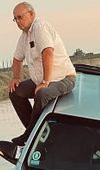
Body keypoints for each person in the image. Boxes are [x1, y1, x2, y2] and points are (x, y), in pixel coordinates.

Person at [7, 2, 76, 146]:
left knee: (42, 94)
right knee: (15, 92)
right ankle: (35, 132)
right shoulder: (25, 35)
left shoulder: (40, 27)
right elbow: (17, 58)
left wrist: (45, 81)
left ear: (32, 14)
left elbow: (48, 53)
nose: (18, 22)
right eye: (15, 19)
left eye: (20, 17)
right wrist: (16, 77)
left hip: (63, 79)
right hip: (40, 81)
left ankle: (29, 136)